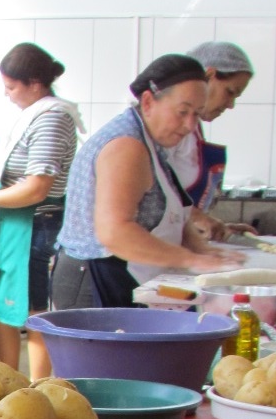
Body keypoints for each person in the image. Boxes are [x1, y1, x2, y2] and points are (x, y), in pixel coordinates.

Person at [52, 54, 243, 310]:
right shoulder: (126, 146)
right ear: (149, 101)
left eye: (196, 115)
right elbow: (116, 233)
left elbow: (175, 213)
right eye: (182, 112)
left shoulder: (150, 141)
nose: (189, 125)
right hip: (94, 279)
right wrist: (192, 260)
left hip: (118, 274)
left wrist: (199, 248)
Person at [0, 43, 82, 380]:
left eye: (11, 87)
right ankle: (8, 383)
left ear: (35, 83)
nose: (7, 94)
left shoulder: (53, 117)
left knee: (33, 313)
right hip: (13, 226)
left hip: (34, 226)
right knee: (2, 308)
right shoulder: (34, 113)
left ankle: (38, 390)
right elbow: (27, 162)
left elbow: (38, 186)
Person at [170, 41, 257, 239]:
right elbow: (151, 192)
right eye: (230, 91)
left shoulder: (194, 129)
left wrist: (215, 227)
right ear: (208, 76)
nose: (231, 104)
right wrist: (198, 218)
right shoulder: (167, 127)